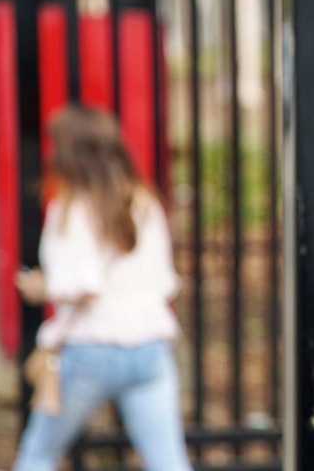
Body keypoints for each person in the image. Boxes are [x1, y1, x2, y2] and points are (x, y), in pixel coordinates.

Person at [11, 105, 192, 471]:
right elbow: (165, 280)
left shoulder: (72, 207)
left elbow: (82, 284)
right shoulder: (143, 200)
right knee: (168, 460)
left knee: (40, 451)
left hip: (91, 348)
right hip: (150, 346)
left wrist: (40, 286)